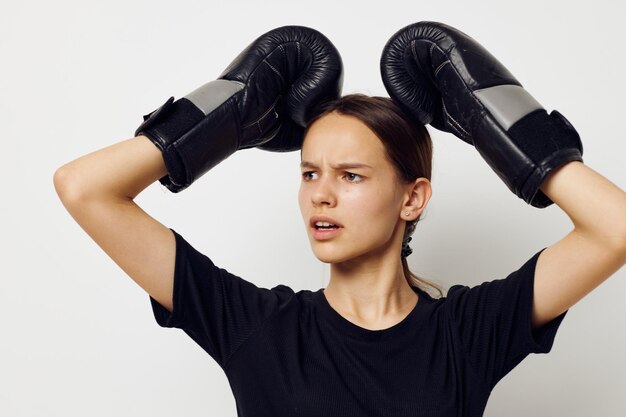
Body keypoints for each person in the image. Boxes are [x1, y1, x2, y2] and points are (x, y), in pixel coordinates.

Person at [53, 22, 626, 417]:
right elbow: (85, 188)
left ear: (413, 199)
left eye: (350, 175)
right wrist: (228, 113)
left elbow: (616, 228)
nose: (319, 196)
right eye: (308, 173)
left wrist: (494, 124)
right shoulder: (253, 325)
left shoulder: (467, 331)